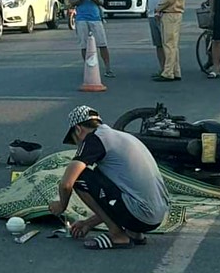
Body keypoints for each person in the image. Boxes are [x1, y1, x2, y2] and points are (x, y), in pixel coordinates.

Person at [48, 105, 170, 250]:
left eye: (75, 141)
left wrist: (61, 205)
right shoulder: (121, 137)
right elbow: (110, 195)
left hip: (140, 215)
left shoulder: (94, 139)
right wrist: (88, 223)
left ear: (78, 129)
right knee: (102, 177)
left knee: (80, 176)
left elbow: (66, 183)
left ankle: (117, 235)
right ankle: (135, 234)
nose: (78, 146)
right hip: (156, 216)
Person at [70, 0, 114, 77]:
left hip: (95, 17)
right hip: (81, 18)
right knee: (84, 45)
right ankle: (88, 68)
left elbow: (103, 1)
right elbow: (71, 2)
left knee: (102, 43)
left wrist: (96, 0)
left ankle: (107, 68)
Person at [153, 0, 186, 82]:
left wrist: (158, 8)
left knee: (169, 45)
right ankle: (175, 71)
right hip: (169, 13)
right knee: (172, 44)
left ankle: (167, 72)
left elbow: (170, 0)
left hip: (171, 13)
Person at [144, 0, 170, 74]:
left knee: (168, 44)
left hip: (165, 15)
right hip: (151, 16)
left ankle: (170, 69)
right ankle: (162, 68)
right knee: (158, 45)